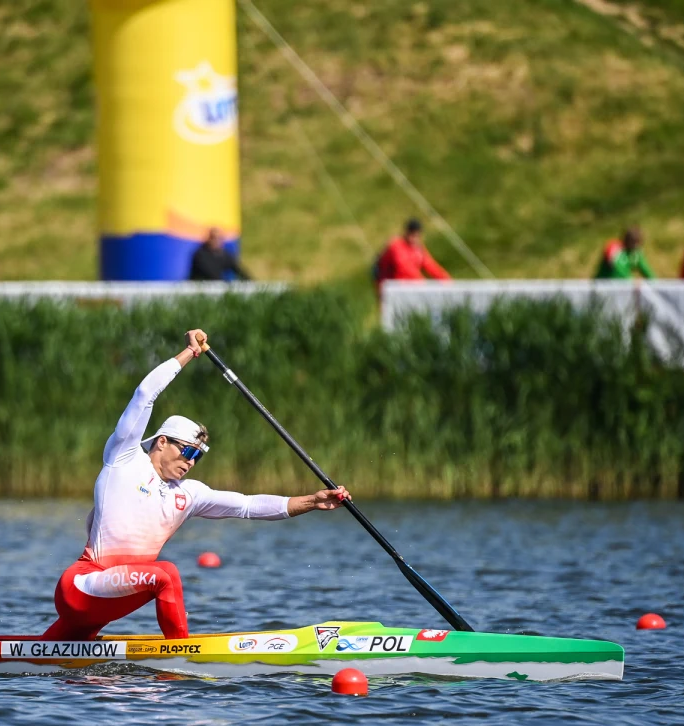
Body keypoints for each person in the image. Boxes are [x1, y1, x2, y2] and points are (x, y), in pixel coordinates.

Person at [41, 329, 350, 641]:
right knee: (167, 574)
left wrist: (312, 501)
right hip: (83, 587)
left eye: (197, 457)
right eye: (187, 452)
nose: (190, 462)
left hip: (111, 603)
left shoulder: (188, 494)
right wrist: (189, 353)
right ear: (162, 442)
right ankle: (182, 653)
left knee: (45, 655)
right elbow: (144, 394)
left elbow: (248, 505)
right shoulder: (124, 458)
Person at [372, 218, 450, 296]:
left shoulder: (418, 248)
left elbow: (431, 265)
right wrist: (423, 284)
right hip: (387, 285)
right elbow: (403, 268)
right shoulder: (396, 245)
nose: (414, 238)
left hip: (405, 286)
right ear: (407, 232)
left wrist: (447, 281)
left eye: (417, 235)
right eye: (412, 234)